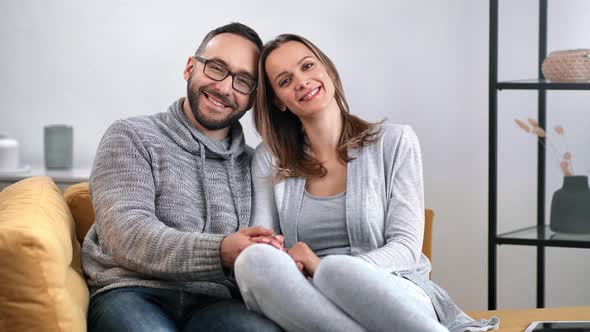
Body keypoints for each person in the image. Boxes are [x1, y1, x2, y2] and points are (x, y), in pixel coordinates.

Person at [234, 34, 500, 332]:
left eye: (308, 66)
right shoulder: (270, 159)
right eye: (285, 81)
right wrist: (287, 260)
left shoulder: (396, 141)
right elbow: (265, 242)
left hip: (393, 289)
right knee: (251, 260)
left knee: (337, 270)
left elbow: (406, 248)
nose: (302, 81)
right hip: (310, 298)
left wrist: (322, 267)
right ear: (278, 102)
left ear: (328, 70)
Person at [81, 23, 283, 332]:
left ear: (253, 97)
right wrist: (221, 250)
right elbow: (127, 237)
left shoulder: (255, 164)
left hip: (217, 303)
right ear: (190, 67)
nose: (225, 88)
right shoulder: (132, 136)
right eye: (217, 68)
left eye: (243, 81)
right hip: (133, 293)